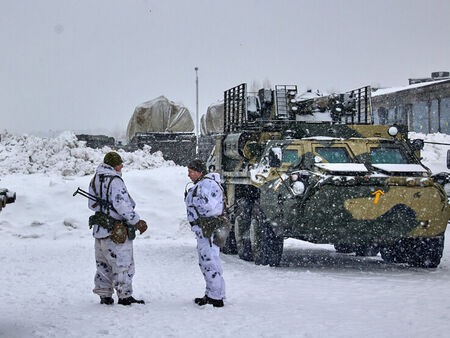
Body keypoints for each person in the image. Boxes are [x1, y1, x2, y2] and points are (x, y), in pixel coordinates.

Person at [88, 151, 148, 306]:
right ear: (114, 165)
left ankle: (104, 295)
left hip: (100, 230)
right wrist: (137, 221)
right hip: (116, 231)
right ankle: (124, 296)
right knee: (123, 264)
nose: (122, 166)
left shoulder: (95, 179)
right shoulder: (115, 181)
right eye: (120, 164)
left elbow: (91, 205)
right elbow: (122, 205)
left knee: (103, 265)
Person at [184, 159, 226, 307]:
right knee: (207, 261)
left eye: (190, 172)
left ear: (198, 172)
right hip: (204, 229)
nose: (188, 175)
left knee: (210, 261)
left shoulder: (207, 184)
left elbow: (210, 208)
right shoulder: (203, 184)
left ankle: (216, 297)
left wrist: (193, 201)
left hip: (208, 229)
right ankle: (212, 293)